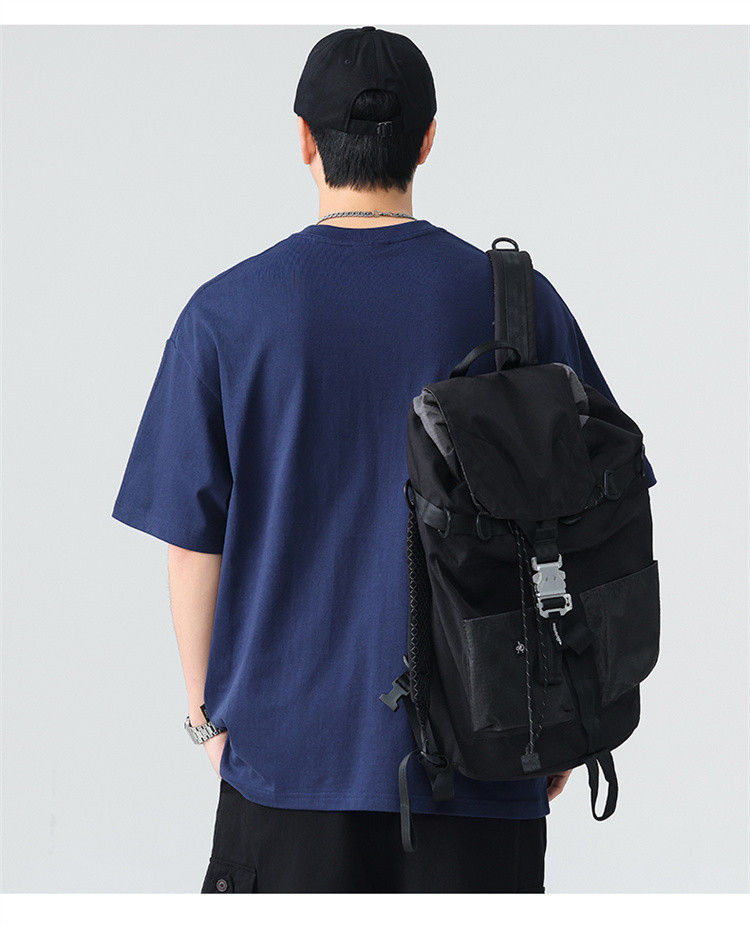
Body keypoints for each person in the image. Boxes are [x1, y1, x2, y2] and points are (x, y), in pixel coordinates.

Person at [112, 26, 657, 894]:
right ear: (428, 140)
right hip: (487, 748)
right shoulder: (516, 304)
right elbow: (600, 515)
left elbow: (191, 546)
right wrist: (564, 708)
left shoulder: (225, 315)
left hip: (286, 766)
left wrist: (204, 718)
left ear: (304, 139)